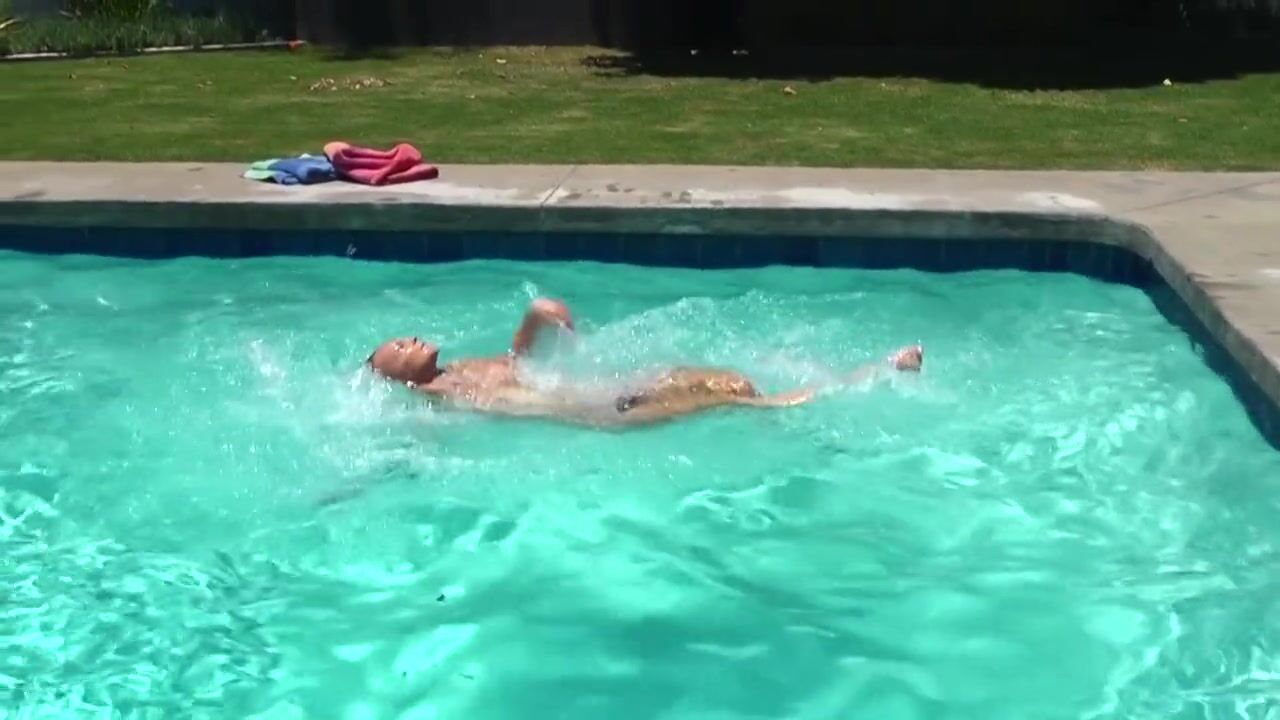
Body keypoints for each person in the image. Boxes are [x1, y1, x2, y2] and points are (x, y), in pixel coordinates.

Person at [365, 298, 923, 428]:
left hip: (615, 389)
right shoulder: (436, 397)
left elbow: (519, 358)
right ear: (398, 378)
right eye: (400, 348)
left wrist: (534, 317)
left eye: (405, 337)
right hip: (606, 413)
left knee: (730, 379)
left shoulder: (465, 368)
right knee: (741, 400)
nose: (410, 339)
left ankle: (858, 375)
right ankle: (874, 375)